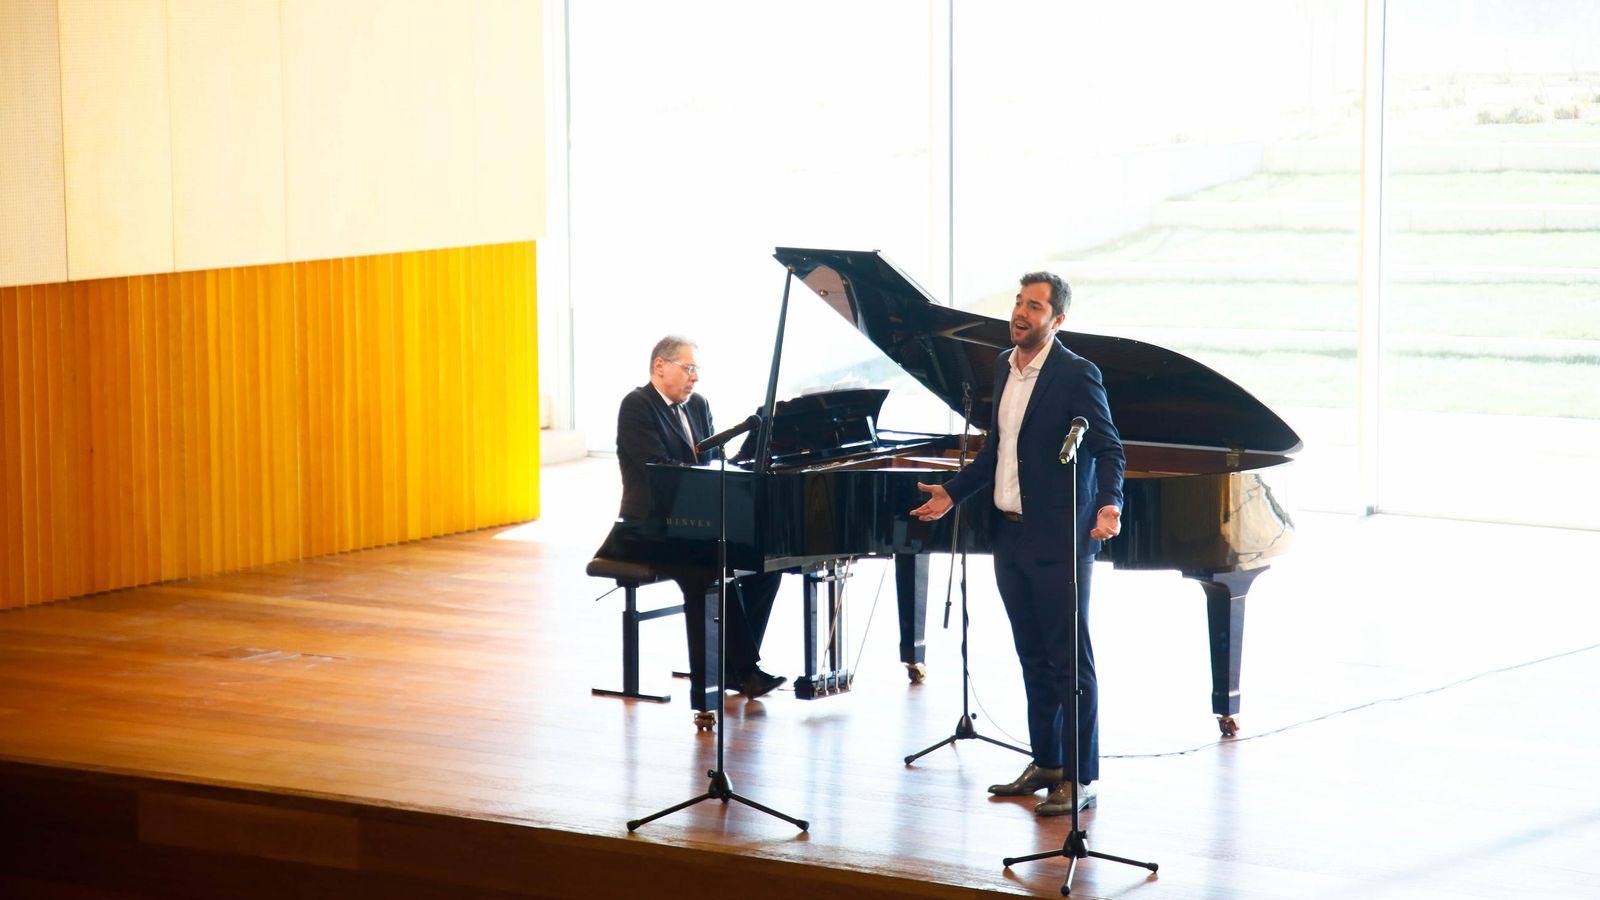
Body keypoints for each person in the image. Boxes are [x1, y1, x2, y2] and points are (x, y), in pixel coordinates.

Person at [909, 272, 1124, 816]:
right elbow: (994, 455)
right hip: (1010, 535)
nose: (1021, 312)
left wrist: (1109, 502)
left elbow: (1109, 448)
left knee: (1068, 660)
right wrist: (952, 494)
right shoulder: (1005, 370)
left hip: (1060, 538)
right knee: (1032, 656)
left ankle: (1080, 776)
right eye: (1019, 303)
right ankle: (1047, 762)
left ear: (1057, 320)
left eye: (1034, 306)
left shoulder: (1077, 374)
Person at [610, 335, 786, 702]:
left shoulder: (698, 405)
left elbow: (709, 463)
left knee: (768, 563)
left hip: (695, 525)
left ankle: (734, 666)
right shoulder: (637, 405)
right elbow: (657, 470)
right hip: (648, 528)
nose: (695, 379)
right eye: (689, 369)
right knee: (709, 565)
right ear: (660, 366)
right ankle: (733, 674)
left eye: (697, 371)